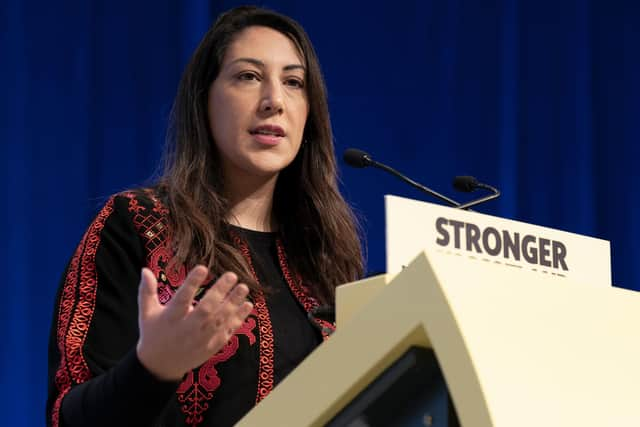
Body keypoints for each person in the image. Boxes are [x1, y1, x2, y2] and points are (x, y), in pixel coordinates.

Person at [46, 6, 364, 427]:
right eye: (248, 76)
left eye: (293, 82)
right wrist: (152, 368)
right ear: (204, 100)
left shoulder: (325, 252)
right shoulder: (137, 223)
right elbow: (65, 417)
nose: (274, 102)